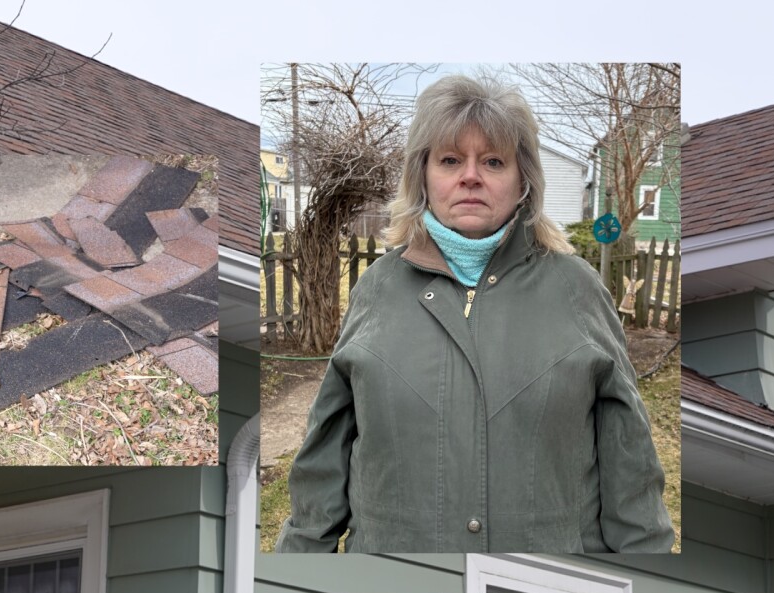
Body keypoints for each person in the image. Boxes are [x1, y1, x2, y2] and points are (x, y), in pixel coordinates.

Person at [275, 75, 674, 553]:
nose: (470, 176)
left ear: (523, 178)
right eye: (449, 160)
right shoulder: (376, 290)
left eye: (492, 161)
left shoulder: (576, 289)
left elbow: (630, 460)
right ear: (422, 173)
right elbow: (324, 457)